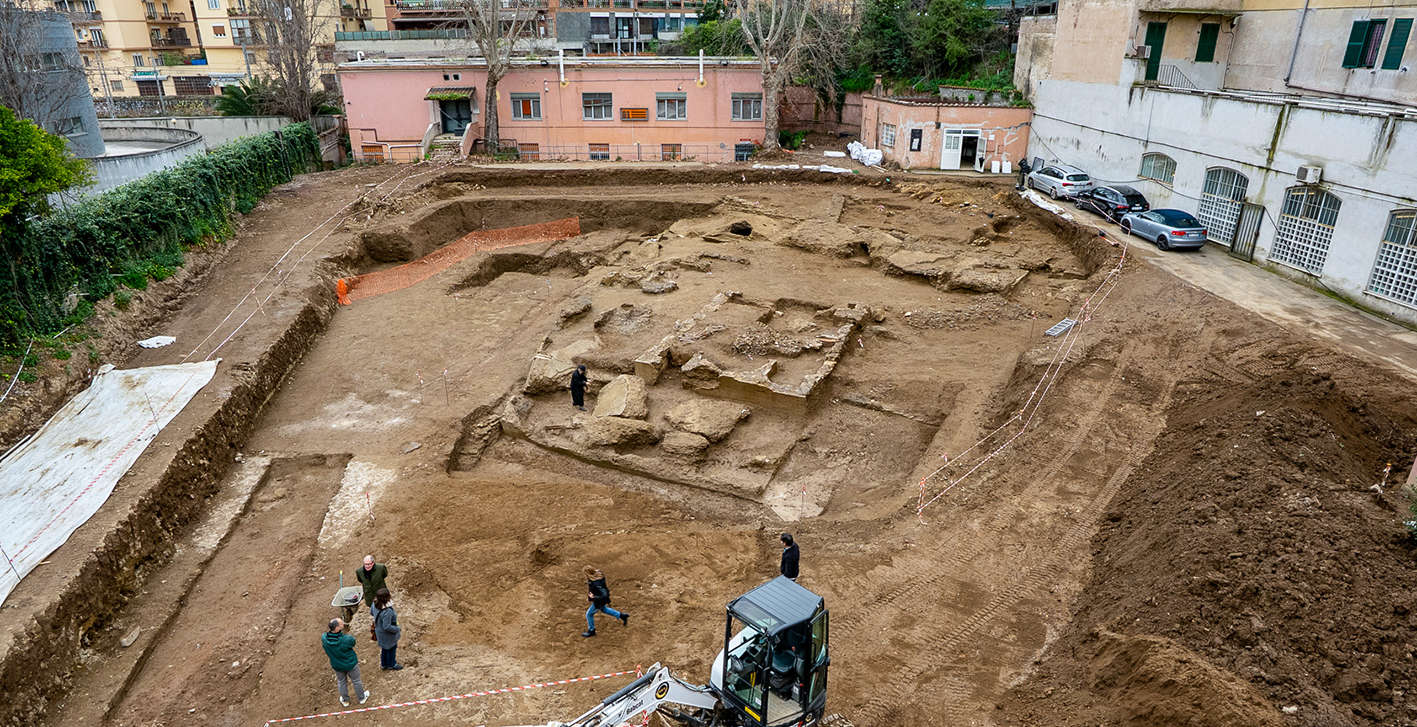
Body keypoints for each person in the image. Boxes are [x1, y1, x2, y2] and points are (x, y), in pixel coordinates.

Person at [322, 618, 370, 708]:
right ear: (337, 628)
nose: (343, 623)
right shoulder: (346, 639)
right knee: (356, 681)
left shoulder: (324, 638)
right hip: (350, 664)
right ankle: (362, 698)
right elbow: (353, 642)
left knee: (341, 682)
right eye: (341, 624)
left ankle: (345, 701)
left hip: (337, 665)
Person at [582, 566, 628, 637]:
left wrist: (593, 597)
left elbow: (604, 595)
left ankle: (591, 630)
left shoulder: (596, 583)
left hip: (599, 601)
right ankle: (622, 616)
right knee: (604, 610)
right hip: (601, 600)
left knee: (589, 614)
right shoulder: (598, 575)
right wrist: (590, 597)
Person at [372, 588, 403, 670]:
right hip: (387, 635)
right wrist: (397, 629)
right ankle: (391, 664)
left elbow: (371, 613)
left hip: (379, 631)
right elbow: (387, 627)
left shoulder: (374, 603)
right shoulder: (387, 611)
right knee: (391, 649)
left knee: (384, 649)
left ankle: (384, 664)